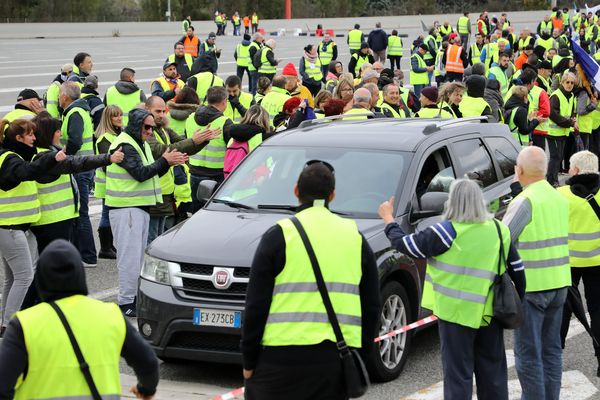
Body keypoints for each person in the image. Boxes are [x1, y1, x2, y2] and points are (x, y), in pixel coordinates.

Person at [241, 161, 380, 400]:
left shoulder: (279, 235)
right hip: (333, 360)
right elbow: (372, 305)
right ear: (332, 195)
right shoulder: (354, 237)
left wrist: (249, 360)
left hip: (279, 359)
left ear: (296, 191)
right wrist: (362, 355)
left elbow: (255, 305)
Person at [379, 178, 525, 399]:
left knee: (458, 377)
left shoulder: (446, 232)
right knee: (493, 375)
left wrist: (389, 219)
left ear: (452, 203)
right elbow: (517, 268)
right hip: (489, 314)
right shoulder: (498, 229)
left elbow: (405, 244)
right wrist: (518, 299)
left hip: (455, 316)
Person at [0, 239, 160, 399]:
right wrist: (145, 390)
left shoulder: (25, 324)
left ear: (41, 279)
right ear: (80, 275)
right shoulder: (110, 315)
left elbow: (3, 384)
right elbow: (148, 362)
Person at [503, 146, 571, 400]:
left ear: (519, 170)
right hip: (560, 282)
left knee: (528, 356)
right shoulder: (557, 197)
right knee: (551, 351)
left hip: (531, 287)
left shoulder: (525, 201)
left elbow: (503, 238)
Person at [106, 108, 187, 316]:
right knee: (130, 258)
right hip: (127, 210)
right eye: (147, 127)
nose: (150, 131)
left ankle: (133, 298)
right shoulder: (126, 145)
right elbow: (140, 174)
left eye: (152, 127)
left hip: (137, 208)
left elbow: (151, 171)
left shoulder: (138, 143)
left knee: (136, 257)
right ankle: (126, 302)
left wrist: (167, 163)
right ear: (136, 125)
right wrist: (165, 161)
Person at [0, 119, 64, 335]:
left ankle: (5, 322)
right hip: (10, 227)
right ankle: (11, 324)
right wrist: (52, 158)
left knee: (13, 277)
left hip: (15, 227)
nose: (35, 138)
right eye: (30, 135)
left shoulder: (14, 156)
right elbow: (26, 172)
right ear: (18, 138)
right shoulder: (10, 159)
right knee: (25, 276)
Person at [145, 96, 218, 243]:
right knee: (152, 239)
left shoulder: (162, 129)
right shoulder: (146, 130)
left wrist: (202, 140)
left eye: (163, 111)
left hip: (165, 192)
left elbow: (183, 146)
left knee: (159, 238)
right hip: (152, 192)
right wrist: (193, 141)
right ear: (147, 110)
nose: (161, 115)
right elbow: (160, 150)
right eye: (157, 111)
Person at [557, 151, 600, 376]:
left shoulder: (561, 194)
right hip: (598, 262)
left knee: (562, 311)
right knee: (598, 311)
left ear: (575, 170)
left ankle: (554, 358)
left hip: (567, 263)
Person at [58, 82, 97, 267]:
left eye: (60, 95)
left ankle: (88, 256)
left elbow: (75, 140)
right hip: (84, 166)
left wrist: (65, 156)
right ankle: (83, 254)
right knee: (80, 211)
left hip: (80, 167)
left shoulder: (74, 113)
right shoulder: (78, 111)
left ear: (65, 97)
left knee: (81, 212)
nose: (58, 98)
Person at [185, 86, 234, 211]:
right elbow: (234, 151)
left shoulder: (190, 118)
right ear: (224, 101)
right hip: (217, 177)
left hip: (195, 173)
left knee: (197, 214)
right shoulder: (225, 122)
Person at [94, 105, 123, 260]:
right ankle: (105, 248)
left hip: (115, 183)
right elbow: (108, 163)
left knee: (109, 214)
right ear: (108, 119)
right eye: (115, 116)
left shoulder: (119, 135)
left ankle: (109, 246)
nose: (119, 118)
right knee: (106, 214)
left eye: (120, 115)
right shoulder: (104, 138)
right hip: (107, 183)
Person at [224, 104, 273, 176]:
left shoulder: (232, 138)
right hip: (255, 181)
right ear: (265, 120)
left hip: (231, 181)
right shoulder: (264, 137)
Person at [547, 71, 577, 186]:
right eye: (567, 82)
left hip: (563, 132)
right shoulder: (556, 95)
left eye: (572, 83)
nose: (570, 85)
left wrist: (573, 120)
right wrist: (569, 122)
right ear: (562, 82)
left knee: (559, 157)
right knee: (555, 157)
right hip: (553, 132)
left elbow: (571, 112)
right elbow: (553, 114)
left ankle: (553, 180)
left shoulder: (572, 95)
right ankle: (551, 181)